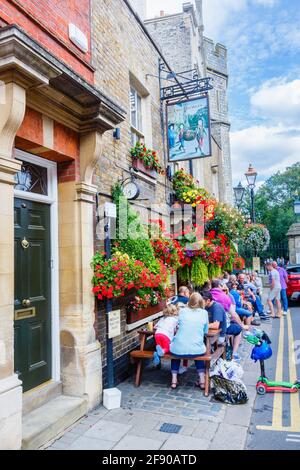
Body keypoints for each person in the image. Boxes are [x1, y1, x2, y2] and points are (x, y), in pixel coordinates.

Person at [169, 293, 208, 390]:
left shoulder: (182, 311)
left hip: (179, 347)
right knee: (198, 351)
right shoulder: (204, 313)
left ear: (189, 301)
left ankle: (174, 380)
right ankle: (202, 381)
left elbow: (177, 325)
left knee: (175, 350)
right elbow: (205, 331)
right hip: (196, 349)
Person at [202, 291, 243, 361]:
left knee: (239, 329)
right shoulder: (206, 306)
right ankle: (233, 353)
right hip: (210, 333)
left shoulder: (216, 307)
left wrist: (201, 324)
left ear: (208, 301)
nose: (199, 303)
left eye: (201, 301)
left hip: (220, 335)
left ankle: (233, 354)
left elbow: (215, 325)